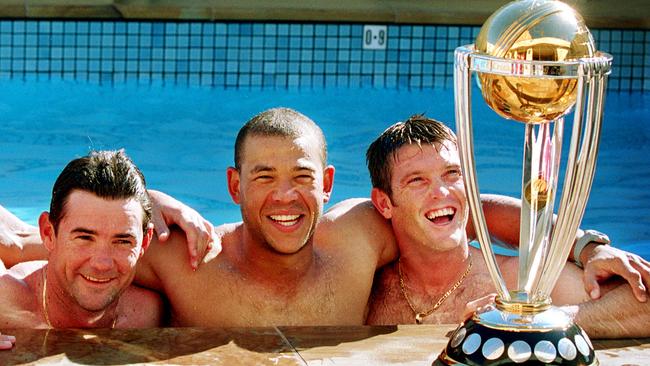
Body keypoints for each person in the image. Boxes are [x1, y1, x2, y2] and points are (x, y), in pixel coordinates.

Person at [136, 107, 646, 327]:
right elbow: (69, 243)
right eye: (264, 177)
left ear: (328, 183)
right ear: (234, 186)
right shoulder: (189, 254)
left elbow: (465, 211)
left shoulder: (352, 236)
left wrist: (584, 247)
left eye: (303, 177)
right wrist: (136, 200)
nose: (286, 197)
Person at [363, 115, 650, 338]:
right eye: (417, 180)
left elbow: (643, 304)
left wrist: (527, 322)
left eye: (452, 174)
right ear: (384, 203)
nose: (442, 192)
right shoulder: (366, 288)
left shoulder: (520, 282)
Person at [0, 150, 164, 329]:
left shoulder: (151, 314)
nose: (102, 264)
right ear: (48, 233)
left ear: (145, 241)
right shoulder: (7, 304)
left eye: (122, 241)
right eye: (84, 238)